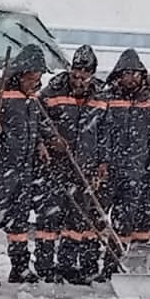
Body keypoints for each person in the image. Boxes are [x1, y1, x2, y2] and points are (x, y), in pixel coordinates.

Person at [38, 45, 103, 284]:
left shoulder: (100, 97)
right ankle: (45, 266)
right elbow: (38, 120)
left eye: (85, 74)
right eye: (76, 72)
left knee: (77, 219)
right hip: (56, 166)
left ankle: (67, 264)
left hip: (85, 166)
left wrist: (102, 162)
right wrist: (50, 139)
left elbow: (104, 132)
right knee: (49, 217)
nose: (79, 78)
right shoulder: (52, 92)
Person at [96, 49, 150, 269]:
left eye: (135, 74)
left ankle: (113, 264)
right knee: (97, 217)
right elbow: (99, 132)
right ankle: (87, 264)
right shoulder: (106, 100)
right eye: (126, 74)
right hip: (108, 170)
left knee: (125, 221)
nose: (131, 79)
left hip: (135, 170)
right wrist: (102, 160)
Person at [0, 45, 49, 283]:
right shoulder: (2, 94)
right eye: (30, 79)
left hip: (25, 168)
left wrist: (40, 143)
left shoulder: (33, 99)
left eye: (37, 80)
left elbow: (34, 127)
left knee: (20, 220)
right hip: (3, 167)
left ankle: (21, 266)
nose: (33, 84)